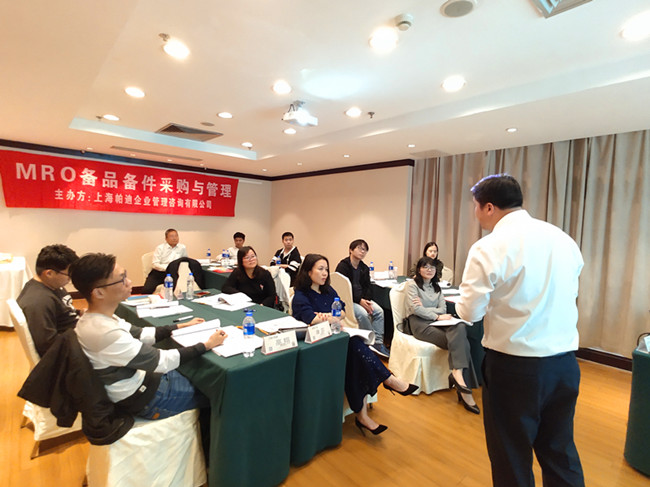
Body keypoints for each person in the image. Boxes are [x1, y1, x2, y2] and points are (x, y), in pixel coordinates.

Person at [456, 174, 585, 487]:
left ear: (488, 207)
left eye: (475, 206)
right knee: (560, 450)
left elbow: (470, 312)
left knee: (511, 455)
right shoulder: (562, 238)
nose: (475, 214)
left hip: (514, 367)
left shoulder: (488, 247)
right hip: (564, 364)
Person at [70, 253, 227, 419]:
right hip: (145, 397)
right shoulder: (104, 332)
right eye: (122, 279)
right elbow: (162, 361)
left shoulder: (98, 318)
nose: (129, 282)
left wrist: (180, 325)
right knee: (219, 392)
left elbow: (142, 334)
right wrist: (207, 345)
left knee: (200, 376)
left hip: (144, 379)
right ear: (99, 293)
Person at [292, 254, 418, 436]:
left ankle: (364, 415)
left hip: (335, 338)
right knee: (356, 347)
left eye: (326, 269)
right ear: (308, 271)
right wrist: (330, 317)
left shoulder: (328, 290)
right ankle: (388, 381)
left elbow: (342, 311)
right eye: (320, 269)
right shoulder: (301, 295)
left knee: (356, 355)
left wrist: (327, 316)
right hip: (316, 344)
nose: (325, 273)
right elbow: (310, 318)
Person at [405, 256, 479, 414]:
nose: (429, 270)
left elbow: (443, 309)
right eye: (425, 267)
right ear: (419, 269)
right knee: (461, 342)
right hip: (419, 324)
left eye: (432, 267)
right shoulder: (412, 285)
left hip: (436, 321)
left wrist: (427, 309)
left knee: (459, 327)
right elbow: (415, 310)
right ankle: (463, 387)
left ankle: (457, 375)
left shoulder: (437, 287)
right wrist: (436, 315)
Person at [17, 244, 82, 357]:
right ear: (49, 273)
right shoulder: (38, 302)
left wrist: (79, 312)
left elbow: (61, 310)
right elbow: (47, 345)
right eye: (68, 275)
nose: (70, 279)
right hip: (72, 353)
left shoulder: (52, 286)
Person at [335, 239, 389, 358]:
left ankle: (378, 343)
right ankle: (370, 342)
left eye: (365, 249)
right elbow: (343, 289)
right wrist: (359, 301)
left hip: (362, 299)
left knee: (379, 311)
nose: (362, 251)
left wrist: (366, 300)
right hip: (348, 301)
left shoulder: (364, 268)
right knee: (363, 314)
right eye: (359, 248)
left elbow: (368, 287)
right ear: (351, 250)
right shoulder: (343, 266)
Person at [142, 228, 188, 294]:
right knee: (147, 290)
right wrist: (168, 268)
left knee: (175, 289)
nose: (174, 238)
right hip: (159, 273)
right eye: (172, 236)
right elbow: (155, 264)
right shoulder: (160, 248)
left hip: (174, 273)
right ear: (166, 239)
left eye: (176, 236)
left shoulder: (182, 247)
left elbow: (185, 261)